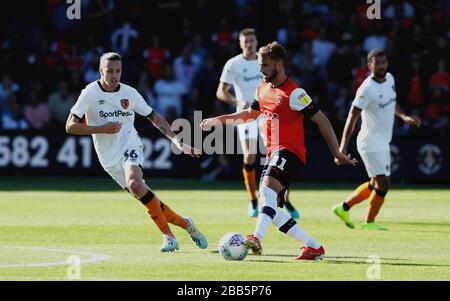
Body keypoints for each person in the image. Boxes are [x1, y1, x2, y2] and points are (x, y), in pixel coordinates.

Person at [202, 42, 357, 260]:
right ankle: (313, 246)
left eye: (265, 65)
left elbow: (322, 121)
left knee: (265, 190)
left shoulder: (295, 93)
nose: (261, 69)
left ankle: (256, 237)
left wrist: (337, 152)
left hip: (291, 152)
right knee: (270, 208)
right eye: (259, 65)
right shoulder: (262, 88)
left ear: (279, 64)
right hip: (274, 152)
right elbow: (249, 115)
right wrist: (219, 120)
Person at [66, 52, 208, 252]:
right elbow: (70, 126)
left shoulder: (129, 93)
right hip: (108, 158)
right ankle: (187, 224)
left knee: (135, 183)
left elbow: (155, 117)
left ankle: (169, 238)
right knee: (143, 194)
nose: (114, 75)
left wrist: (176, 141)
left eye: (118, 71)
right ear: (100, 71)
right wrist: (101, 129)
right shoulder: (90, 93)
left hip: (130, 145)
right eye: (109, 71)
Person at [332, 49, 421, 231]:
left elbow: (393, 101)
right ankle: (369, 222)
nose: (381, 66)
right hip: (370, 143)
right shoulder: (366, 89)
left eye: (383, 62)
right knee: (384, 184)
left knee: (375, 184)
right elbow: (352, 117)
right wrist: (341, 149)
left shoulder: (390, 78)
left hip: (383, 142)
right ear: (369, 65)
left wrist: (404, 117)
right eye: (377, 62)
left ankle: (343, 208)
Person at [216, 28, 299, 219]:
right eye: (245, 42)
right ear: (240, 44)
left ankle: (283, 200)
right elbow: (221, 92)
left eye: (252, 41)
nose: (249, 44)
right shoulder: (233, 64)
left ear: (256, 41)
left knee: (280, 156)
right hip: (248, 113)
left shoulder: (266, 61)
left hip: (269, 113)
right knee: (250, 156)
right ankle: (253, 199)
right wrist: (237, 102)